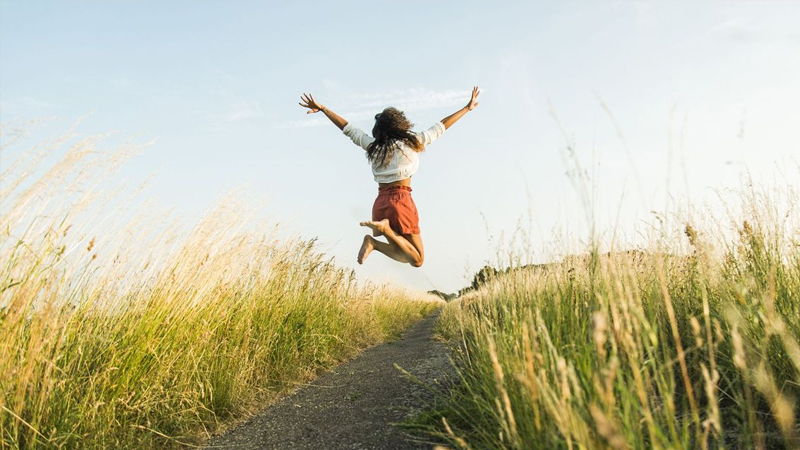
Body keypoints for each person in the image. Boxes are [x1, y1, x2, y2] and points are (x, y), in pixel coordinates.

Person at [298, 86, 480, 267]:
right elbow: (442, 126)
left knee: (404, 254)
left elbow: (347, 128)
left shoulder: (373, 148)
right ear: (400, 124)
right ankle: (382, 233)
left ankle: (374, 243)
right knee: (417, 260)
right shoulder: (413, 142)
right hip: (401, 201)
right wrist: (467, 108)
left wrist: (323, 109)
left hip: (380, 203)